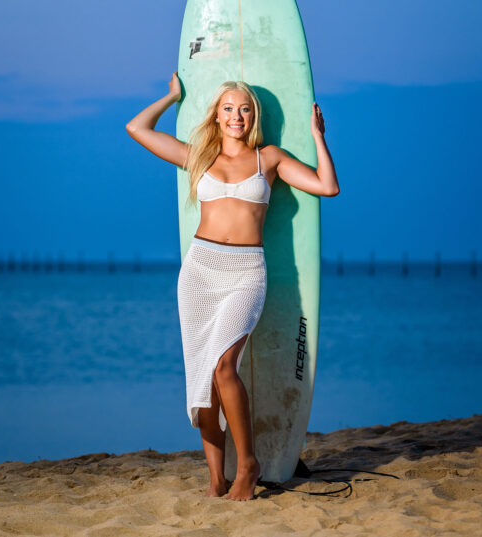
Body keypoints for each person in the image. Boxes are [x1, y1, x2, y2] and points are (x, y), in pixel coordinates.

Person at [126, 72, 338, 501]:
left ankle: (248, 464)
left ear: (252, 117)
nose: (236, 115)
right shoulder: (199, 157)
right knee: (201, 383)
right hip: (199, 272)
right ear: (217, 117)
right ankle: (215, 479)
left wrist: (318, 136)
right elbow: (137, 128)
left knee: (224, 368)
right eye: (228, 108)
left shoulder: (269, 159)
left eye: (244, 109)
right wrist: (170, 96)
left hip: (245, 272)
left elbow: (327, 186)